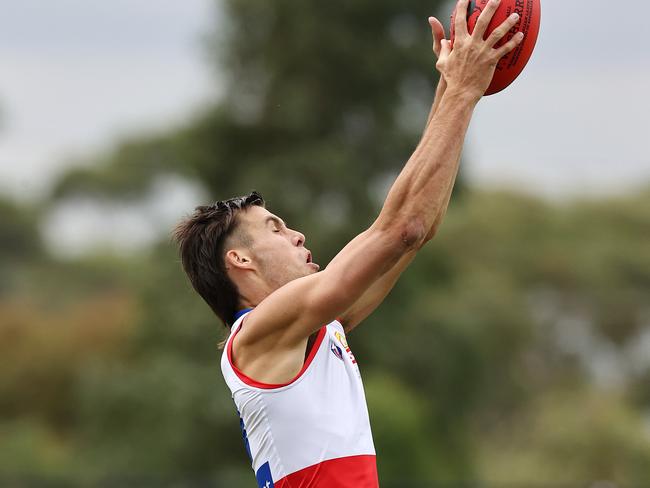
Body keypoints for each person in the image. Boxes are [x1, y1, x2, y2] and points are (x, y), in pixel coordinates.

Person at [173, 1, 524, 486]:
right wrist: (462, 89)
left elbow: (417, 233)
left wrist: (454, 90)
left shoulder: (316, 330)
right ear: (240, 259)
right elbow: (401, 227)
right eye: (275, 228)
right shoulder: (255, 335)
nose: (296, 234)